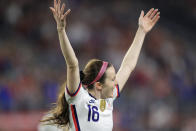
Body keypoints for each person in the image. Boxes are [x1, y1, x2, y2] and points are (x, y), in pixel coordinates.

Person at [41, 0, 160, 130]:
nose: (116, 82)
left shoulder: (107, 100)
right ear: (98, 85)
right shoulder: (79, 97)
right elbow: (72, 64)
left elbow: (128, 66)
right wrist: (61, 30)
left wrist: (141, 31)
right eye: (112, 79)